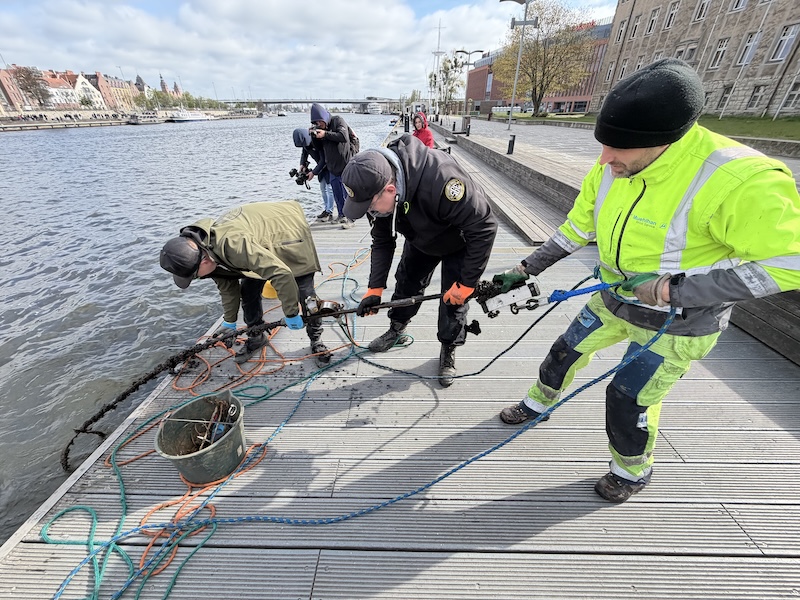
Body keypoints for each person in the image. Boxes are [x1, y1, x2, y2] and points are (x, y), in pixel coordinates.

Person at [491, 59, 800, 503]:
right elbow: (577, 227)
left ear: (666, 141)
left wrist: (676, 290)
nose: (604, 160)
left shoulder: (740, 180)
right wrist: (526, 269)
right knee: (563, 352)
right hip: (612, 298)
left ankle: (631, 470)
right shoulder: (613, 166)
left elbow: (789, 262)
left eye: (618, 148)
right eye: (603, 145)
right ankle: (539, 403)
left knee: (627, 397)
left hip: (678, 322)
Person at [341, 134, 498, 387]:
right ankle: (397, 328)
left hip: (460, 241)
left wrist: (468, 283)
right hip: (420, 237)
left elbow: (485, 227)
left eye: (370, 208)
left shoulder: (443, 180)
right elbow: (382, 241)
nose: (370, 212)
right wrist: (375, 288)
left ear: (390, 190)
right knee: (406, 281)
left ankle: (448, 347)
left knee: (453, 301)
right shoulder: (377, 184)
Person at [159, 201, 332, 367]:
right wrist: (229, 321)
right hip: (255, 242)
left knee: (306, 294)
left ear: (204, 262)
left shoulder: (233, 245)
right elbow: (228, 287)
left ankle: (316, 339)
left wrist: (291, 313)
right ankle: (257, 337)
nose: (196, 279)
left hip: (287, 231)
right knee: (248, 291)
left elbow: (281, 273)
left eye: (194, 276)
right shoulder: (203, 252)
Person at [309, 103, 355, 229]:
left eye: (320, 122)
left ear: (324, 118)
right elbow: (318, 148)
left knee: (347, 193)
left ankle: (351, 219)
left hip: (345, 163)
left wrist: (325, 134)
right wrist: (314, 137)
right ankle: (341, 215)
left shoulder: (338, 121)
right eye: (316, 123)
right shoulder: (320, 129)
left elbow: (343, 137)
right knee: (337, 193)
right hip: (332, 166)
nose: (319, 124)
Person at [293, 127, 335, 223]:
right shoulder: (305, 144)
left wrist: (313, 172)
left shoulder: (317, 141)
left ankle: (330, 212)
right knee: (323, 189)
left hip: (329, 166)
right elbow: (304, 154)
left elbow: (323, 160)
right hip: (320, 168)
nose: (304, 146)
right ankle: (326, 209)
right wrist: (302, 165)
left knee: (329, 189)